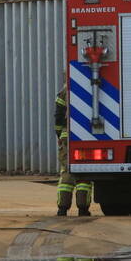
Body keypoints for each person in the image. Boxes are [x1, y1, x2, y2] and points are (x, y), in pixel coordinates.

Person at [54, 82, 92, 216]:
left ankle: (62, 208)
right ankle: (83, 208)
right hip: (87, 135)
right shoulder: (91, 84)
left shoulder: (66, 88)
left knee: (66, 171)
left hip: (67, 136)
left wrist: (59, 133)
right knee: (84, 172)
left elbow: (58, 114)